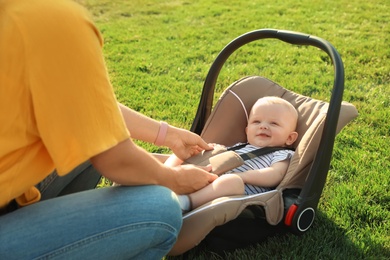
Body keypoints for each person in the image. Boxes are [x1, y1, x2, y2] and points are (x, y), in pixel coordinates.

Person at [0, 0, 217, 259]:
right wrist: (175, 180)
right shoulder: (48, 18)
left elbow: (83, 104)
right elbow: (116, 161)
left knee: (85, 144)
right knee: (160, 209)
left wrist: (165, 133)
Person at [165, 97, 299, 212]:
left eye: (274, 123)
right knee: (183, 153)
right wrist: (213, 150)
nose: (263, 126)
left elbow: (276, 174)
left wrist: (243, 176)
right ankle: (166, 177)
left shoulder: (281, 153)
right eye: (256, 122)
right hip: (208, 176)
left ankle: (186, 202)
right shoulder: (240, 146)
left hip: (238, 190)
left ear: (290, 138)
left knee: (233, 182)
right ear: (247, 130)